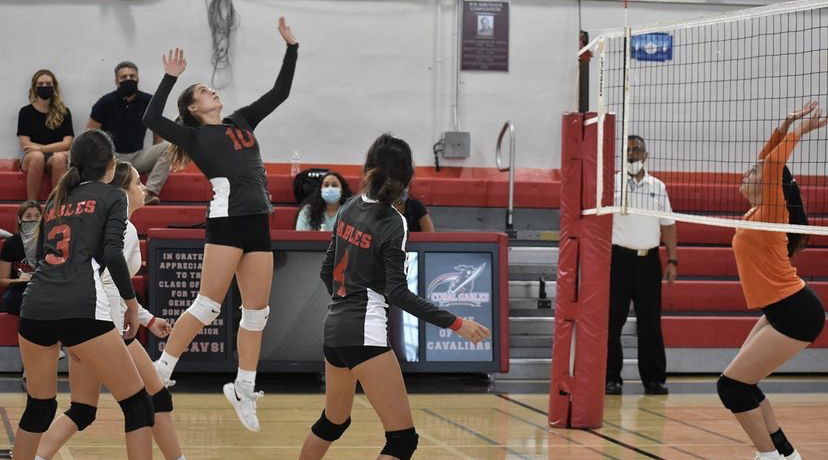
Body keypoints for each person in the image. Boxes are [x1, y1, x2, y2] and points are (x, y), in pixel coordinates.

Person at [143, 16, 298, 432]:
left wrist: (291, 47)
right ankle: (162, 370)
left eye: (211, 89)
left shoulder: (243, 120)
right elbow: (152, 119)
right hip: (227, 222)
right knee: (208, 306)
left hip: (258, 223)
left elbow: (280, 92)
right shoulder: (192, 137)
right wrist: (169, 78)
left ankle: (244, 388)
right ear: (194, 108)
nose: (213, 92)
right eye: (204, 92)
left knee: (257, 314)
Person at [297, 134, 491, 460]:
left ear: (369, 167)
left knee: (334, 421)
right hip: (365, 332)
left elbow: (325, 270)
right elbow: (397, 292)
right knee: (402, 440)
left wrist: (346, 302)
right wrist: (457, 323)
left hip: (333, 330)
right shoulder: (394, 222)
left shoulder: (348, 205)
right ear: (407, 176)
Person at [13, 129, 153, 460]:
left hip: (34, 308)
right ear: (110, 164)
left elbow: (37, 257)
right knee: (137, 405)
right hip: (81, 307)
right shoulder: (113, 196)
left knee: (40, 406)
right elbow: (112, 255)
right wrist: (132, 304)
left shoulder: (55, 199)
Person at [34, 161, 184, 460]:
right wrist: (103, 334)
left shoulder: (100, 226)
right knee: (153, 400)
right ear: (122, 192)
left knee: (82, 409)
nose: (143, 188)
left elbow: (107, 285)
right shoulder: (124, 229)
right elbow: (105, 285)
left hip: (88, 325)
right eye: (137, 183)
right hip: (107, 330)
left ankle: (34, 456)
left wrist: (148, 318)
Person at [720, 101, 826, 460]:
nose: (745, 175)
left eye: (752, 173)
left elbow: (772, 165)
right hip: (781, 309)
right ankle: (785, 454)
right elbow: (768, 160)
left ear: (769, 187)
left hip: (797, 311)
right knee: (743, 384)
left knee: (731, 387)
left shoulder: (772, 211)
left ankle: (768, 457)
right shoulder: (756, 212)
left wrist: (797, 134)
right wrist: (784, 126)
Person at [606, 135, 677, 396]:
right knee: (613, 321)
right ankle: (611, 378)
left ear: (645, 154)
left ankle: (654, 380)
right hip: (619, 260)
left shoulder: (657, 186)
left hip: (649, 261)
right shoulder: (611, 183)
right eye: (628, 150)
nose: (632, 154)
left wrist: (672, 259)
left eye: (637, 150)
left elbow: (668, 225)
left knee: (650, 323)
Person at [88, 61, 171, 205]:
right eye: (124, 77)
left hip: (138, 156)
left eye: (132, 76)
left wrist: (154, 160)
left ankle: (148, 193)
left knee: (168, 148)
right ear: (116, 81)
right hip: (113, 158)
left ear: (138, 78)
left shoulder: (149, 101)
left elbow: (157, 133)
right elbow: (90, 133)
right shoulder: (105, 102)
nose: (128, 79)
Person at [17, 70, 72, 201]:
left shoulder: (64, 112)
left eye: (48, 83)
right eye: (41, 84)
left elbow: (67, 143)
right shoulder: (25, 112)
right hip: (31, 159)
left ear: (54, 86)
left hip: (54, 158)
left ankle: (55, 205)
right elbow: (25, 144)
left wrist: (40, 148)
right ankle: (32, 205)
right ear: (35, 87)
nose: (45, 86)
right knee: (37, 157)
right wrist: (44, 150)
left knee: (60, 157)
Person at [0, 201, 42, 316]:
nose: (33, 219)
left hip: (43, 286)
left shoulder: (48, 242)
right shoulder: (11, 243)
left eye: (37, 216)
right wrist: (19, 280)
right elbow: (2, 280)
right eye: (28, 216)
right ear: (19, 219)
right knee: (13, 301)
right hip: (19, 289)